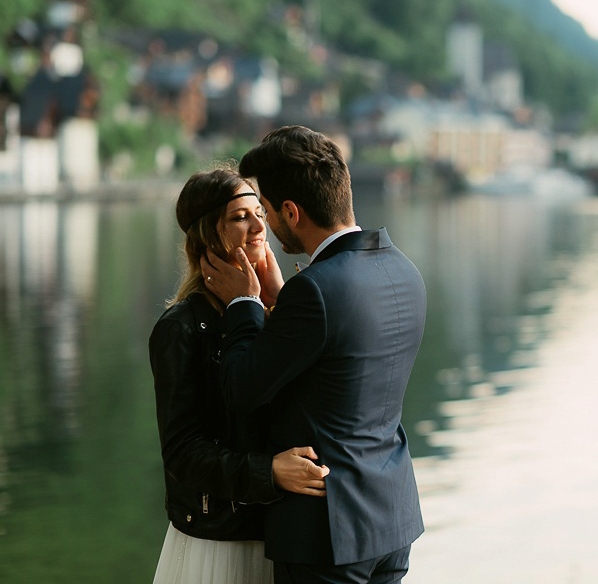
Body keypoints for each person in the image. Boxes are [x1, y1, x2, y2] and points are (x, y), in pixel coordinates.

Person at [201, 126, 427, 584]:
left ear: (291, 210)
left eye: (264, 210)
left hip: (328, 533)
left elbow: (241, 388)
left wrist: (245, 303)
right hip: (391, 520)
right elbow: (336, 360)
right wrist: (284, 302)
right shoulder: (404, 269)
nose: (263, 224)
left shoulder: (316, 291)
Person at [150, 167, 332, 584]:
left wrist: (279, 302)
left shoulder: (278, 311)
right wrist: (267, 472)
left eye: (260, 214)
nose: (258, 227)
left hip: (285, 533)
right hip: (221, 542)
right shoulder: (179, 328)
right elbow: (181, 452)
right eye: (239, 217)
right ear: (206, 236)